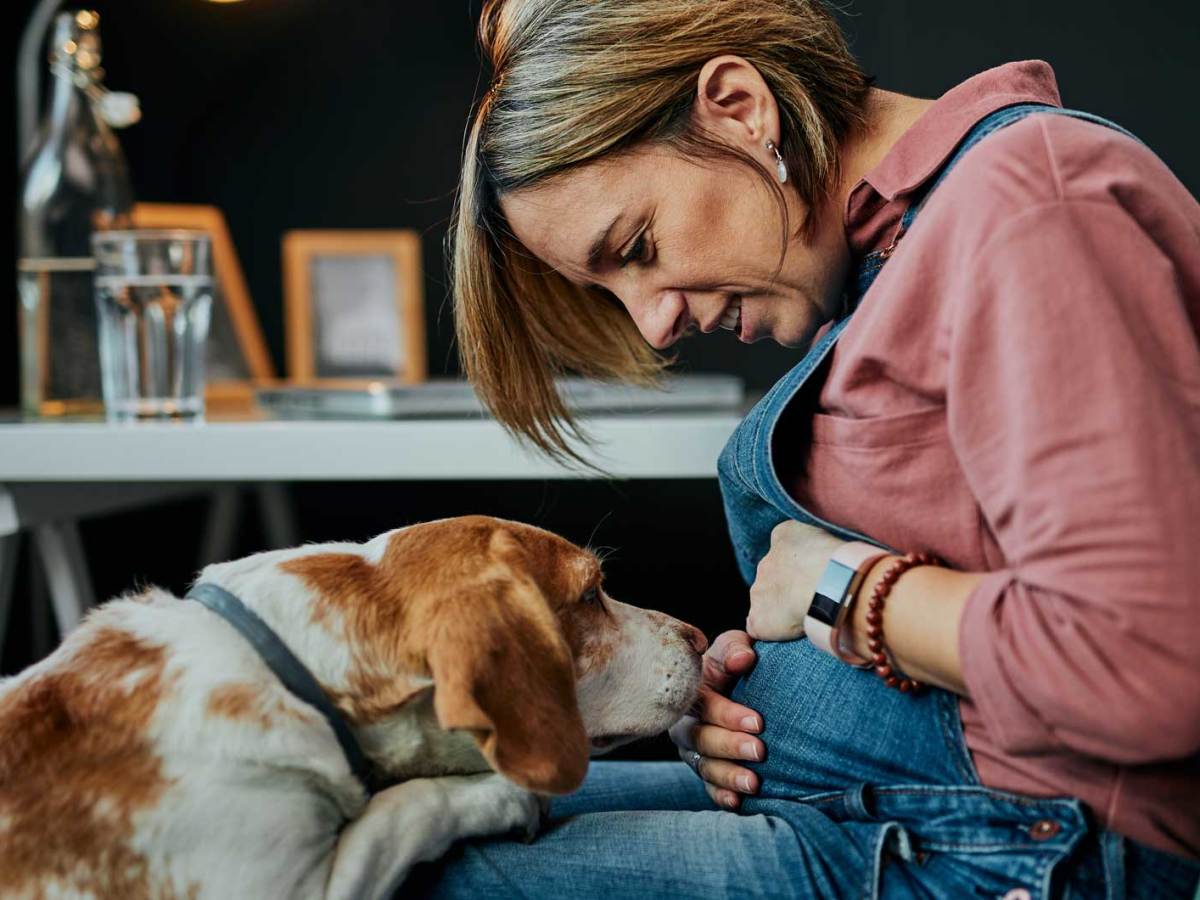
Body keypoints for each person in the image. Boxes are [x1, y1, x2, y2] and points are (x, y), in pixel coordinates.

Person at [412, 0, 1200, 896]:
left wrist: (842, 591)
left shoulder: (1030, 207)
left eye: (639, 248)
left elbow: (1147, 662)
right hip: (906, 811)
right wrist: (730, 716)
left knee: (422, 877)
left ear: (740, 108)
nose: (655, 323)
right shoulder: (893, 249)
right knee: (420, 815)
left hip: (1028, 849)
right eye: (610, 292)